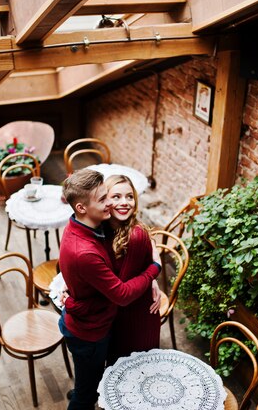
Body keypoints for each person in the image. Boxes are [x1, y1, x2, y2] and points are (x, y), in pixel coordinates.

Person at [58, 168, 161, 410]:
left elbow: (129, 263)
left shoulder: (84, 226)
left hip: (111, 319)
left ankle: (90, 384)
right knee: (85, 396)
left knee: (100, 379)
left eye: (127, 196)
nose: (113, 204)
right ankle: (89, 388)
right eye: (106, 198)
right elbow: (120, 292)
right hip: (91, 330)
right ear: (81, 208)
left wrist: (152, 268)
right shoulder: (89, 244)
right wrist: (154, 268)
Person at [103, 174, 161, 364]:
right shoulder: (104, 228)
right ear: (104, 200)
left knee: (129, 371)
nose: (125, 202)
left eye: (129, 196)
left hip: (134, 316)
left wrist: (155, 269)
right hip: (117, 313)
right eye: (116, 196)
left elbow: (121, 292)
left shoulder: (135, 235)